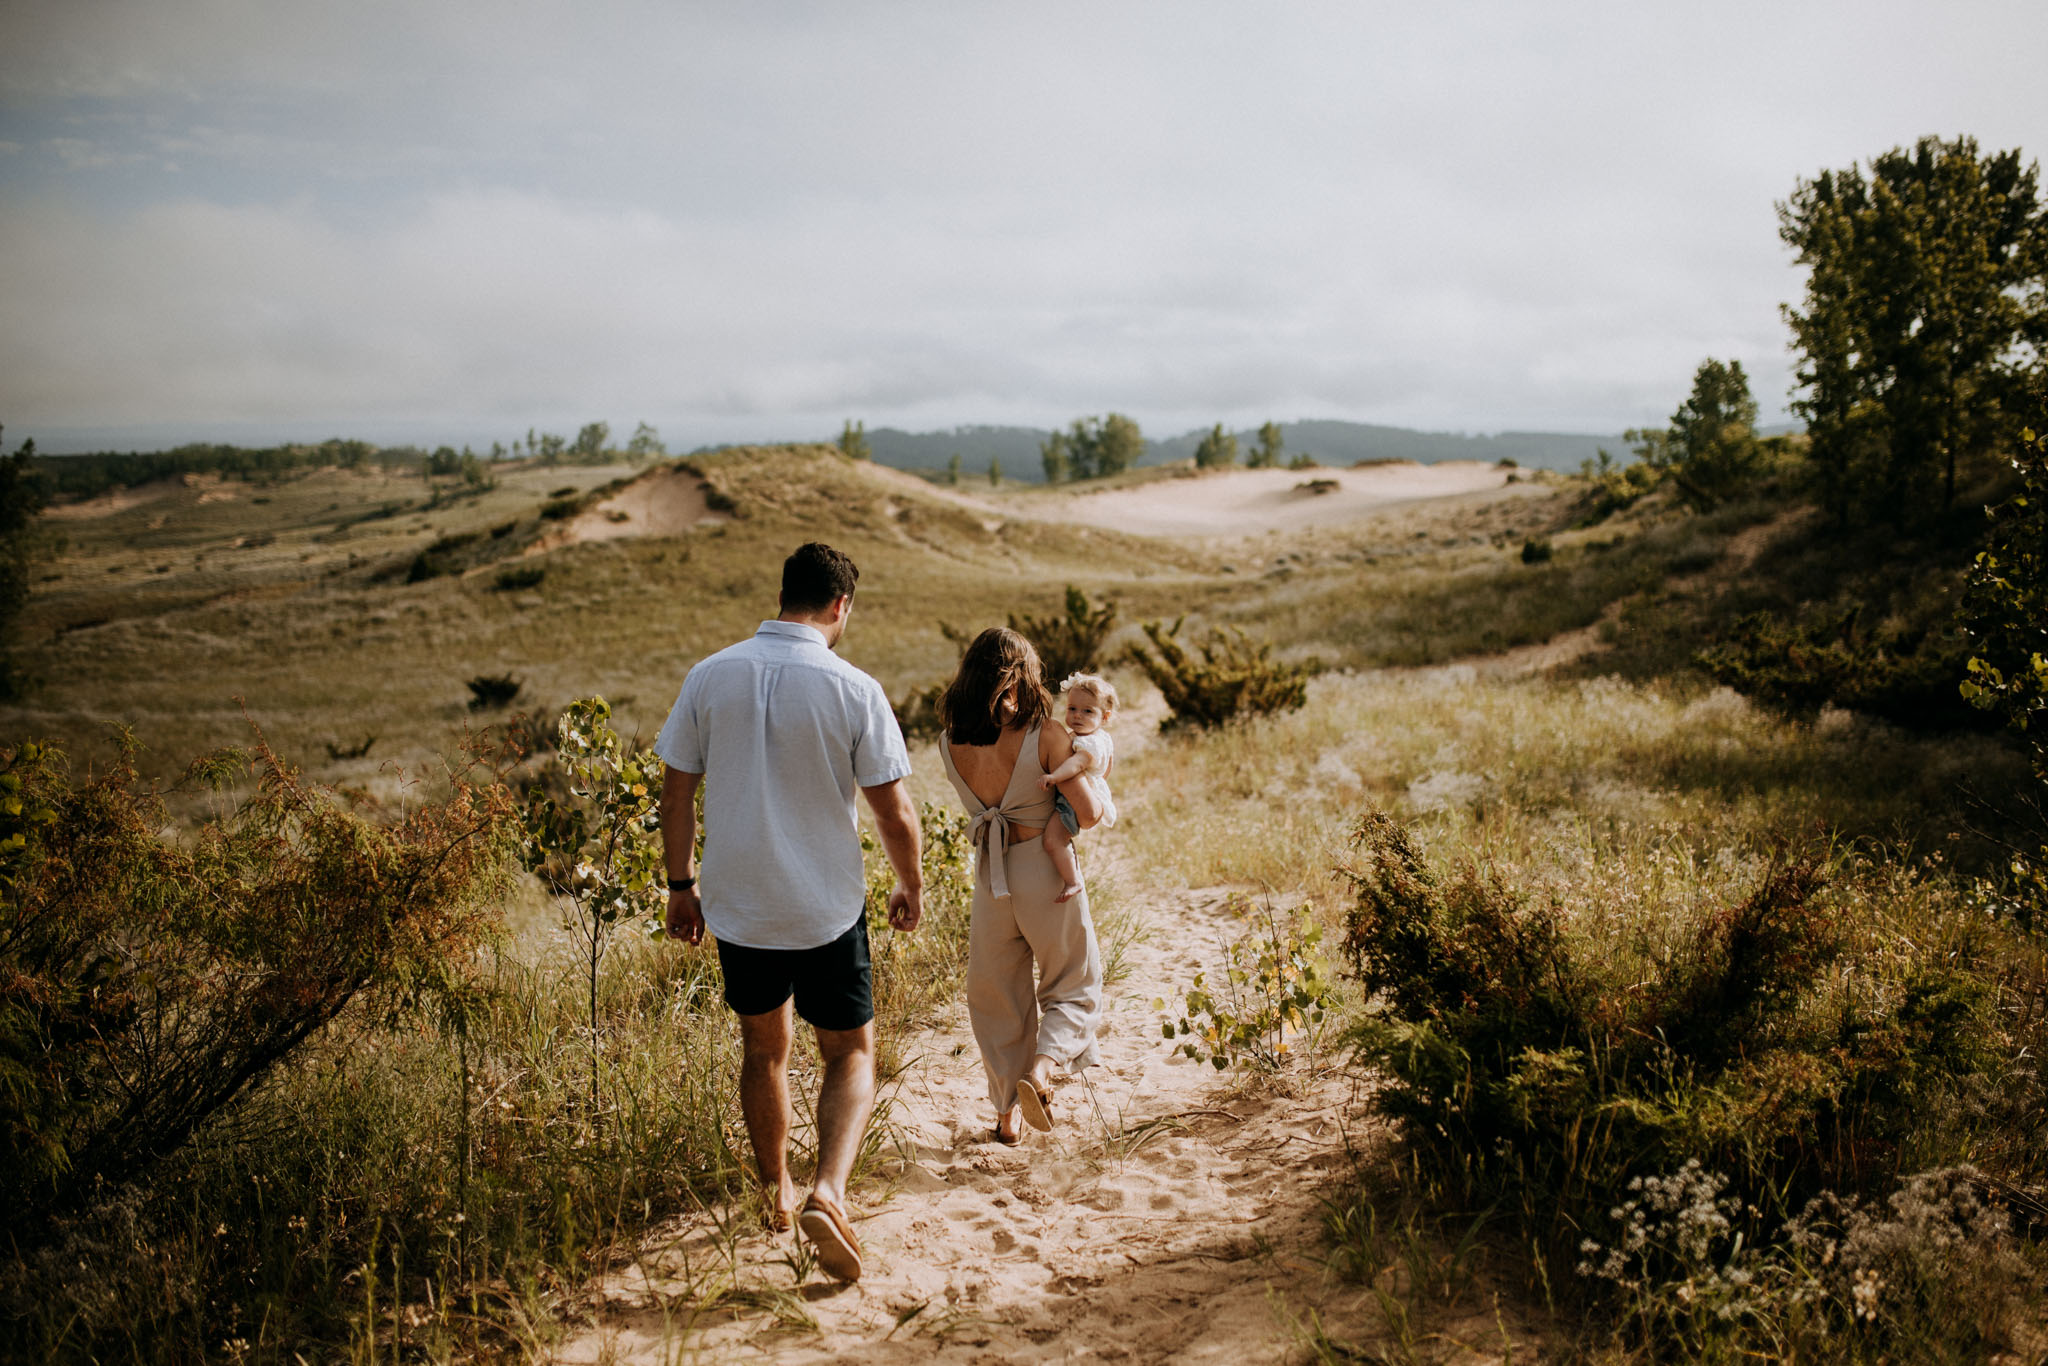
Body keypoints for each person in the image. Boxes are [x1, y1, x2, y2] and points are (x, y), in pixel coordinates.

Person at [656, 542, 922, 1284]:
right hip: (825, 907)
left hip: (740, 906)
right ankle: (827, 1194)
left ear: (785, 596)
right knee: (850, 1052)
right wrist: (912, 885)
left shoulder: (709, 676)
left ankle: (774, 1192)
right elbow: (894, 812)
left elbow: (675, 793)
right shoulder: (854, 687)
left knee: (763, 1049)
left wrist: (681, 885)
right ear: (840, 606)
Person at [934, 628, 1107, 1144]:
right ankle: (1043, 1072)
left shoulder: (950, 741)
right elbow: (1090, 812)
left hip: (990, 878)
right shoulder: (1045, 734)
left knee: (997, 997)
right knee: (1072, 982)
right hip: (1042, 869)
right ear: (1019, 676)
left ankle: (1008, 1114)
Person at [1039, 672, 1119, 903]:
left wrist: (1054, 776)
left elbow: (1076, 764)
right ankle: (1071, 870)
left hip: (1074, 801)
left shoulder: (1087, 742)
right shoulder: (1102, 738)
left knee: (1053, 839)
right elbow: (1107, 769)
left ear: (1104, 717)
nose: (1077, 716)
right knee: (1062, 837)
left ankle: (1072, 881)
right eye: (1072, 709)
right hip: (1088, 792)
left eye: (1087, 711)